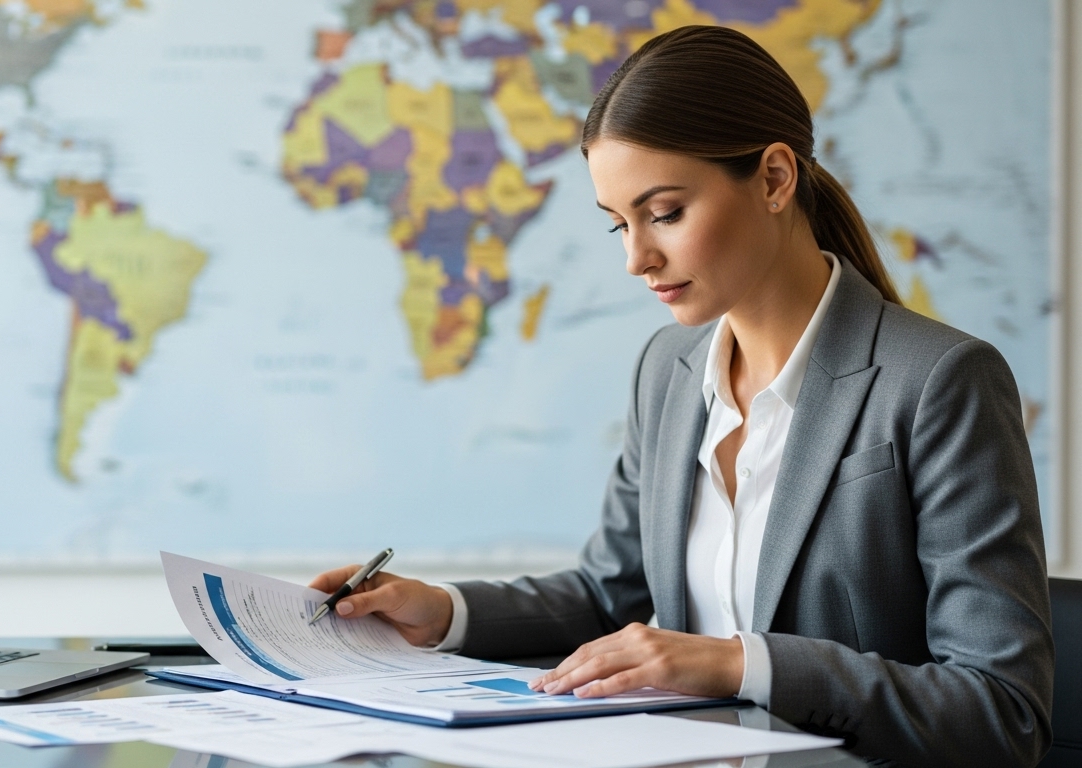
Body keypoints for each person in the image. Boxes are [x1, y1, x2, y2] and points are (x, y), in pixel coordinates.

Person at [310, 25, 1053, 767]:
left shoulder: (940, 381)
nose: (637, 258)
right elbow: (611, 597)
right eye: (618, 225)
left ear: (773, 178)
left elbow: (1001, 712)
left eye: (664, 213)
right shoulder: (667, 368)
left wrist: (740, 663)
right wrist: (441, 611)